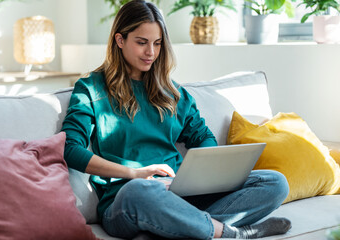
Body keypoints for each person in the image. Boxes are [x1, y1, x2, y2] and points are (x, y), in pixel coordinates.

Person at [61, 0, 292, 239]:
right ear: (120, 40)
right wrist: (134, 173)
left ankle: (177, 226)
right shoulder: (91, 88)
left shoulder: (173, 93)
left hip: (180, 193)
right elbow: (70, 149)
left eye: (157, 43)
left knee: (274, 182)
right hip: (127, 198)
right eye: (141, 43)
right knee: (140, 192)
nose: (151, 52)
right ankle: (230, 233)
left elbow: (203, 137)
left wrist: (203, 178)